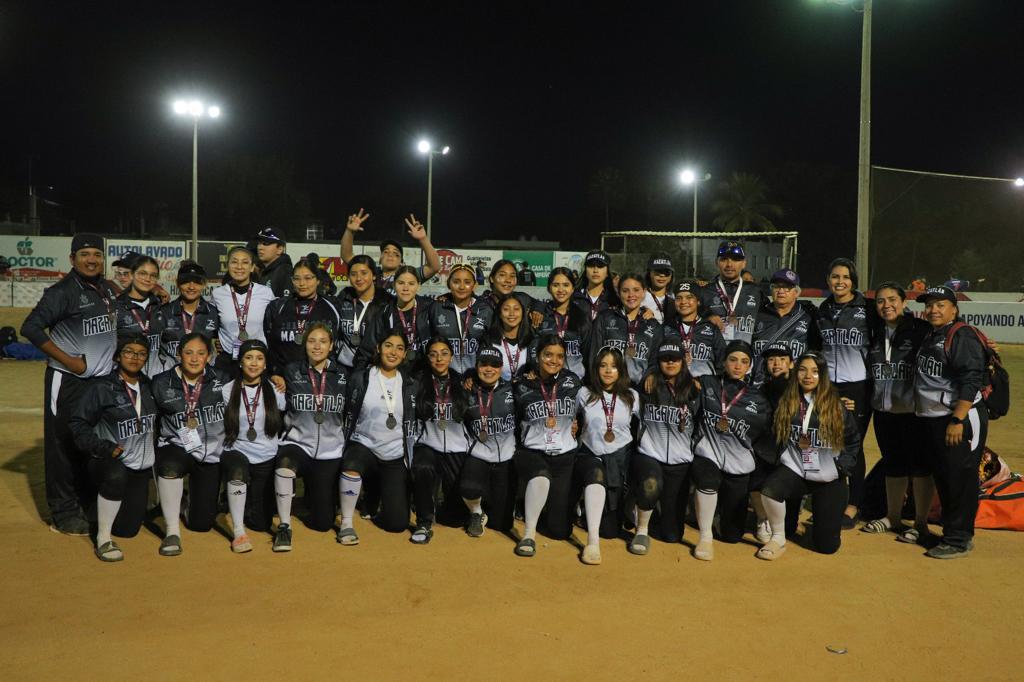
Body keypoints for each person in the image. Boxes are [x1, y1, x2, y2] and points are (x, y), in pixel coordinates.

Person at [21, 233, 117, 535]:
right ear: (72, 258)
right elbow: (30, 328)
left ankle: (86, 504)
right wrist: (69, 361)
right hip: (68, 380)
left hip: (99, 382)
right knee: (62, 444)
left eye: (97, 254)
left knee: (89, 443)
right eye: (85, 254)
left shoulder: (106, 289)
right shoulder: (62, 292)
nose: (91, 260)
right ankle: (63, 513)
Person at [757, 352, 860, 559]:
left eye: (815, 371)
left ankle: (823, 522)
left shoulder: (836, 405)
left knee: (826, 546)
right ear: (795, 372)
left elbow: (853, 441)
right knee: (770, 490)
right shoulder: (787, 401)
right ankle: (778, 538)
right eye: (803, 370)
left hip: (828, 477)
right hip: (796, 470)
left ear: (823, 375)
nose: (808, 376)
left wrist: (841, 468)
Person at [914, 285, 989, 559]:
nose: (933, 309)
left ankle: (959, 539)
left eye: (940, 305)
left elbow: (971, 379)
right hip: (936, 417)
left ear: (954, 310)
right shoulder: (933, 333)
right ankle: (951, 533)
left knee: (960, 478)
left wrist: (958, 419)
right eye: (929, 305)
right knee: (945, 476)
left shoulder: (961, 335)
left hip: (958, 417)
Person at [69, 333, 158, 561]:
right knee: (115, 476)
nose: (135, 357)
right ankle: (103, 538)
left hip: (138, 467)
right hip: (109, 460)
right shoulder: (102, 387)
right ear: (118, 356)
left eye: (141, 354)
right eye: (129, 352)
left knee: (128, 529)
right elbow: (77, 423)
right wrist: (103, 447)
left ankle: (99, 509)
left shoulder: (149, 387)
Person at [861, 282, 934, 543]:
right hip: (884, 411)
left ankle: (921, 523)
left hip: (914, 412)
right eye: (880, 301)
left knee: (920, 467)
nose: (886, 305)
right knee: (893, 464)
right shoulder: (873, 331)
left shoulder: (921, 330)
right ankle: (893, 517)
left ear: (904, 302)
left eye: (892, 299)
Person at [690, 340, 773, 560]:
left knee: (732, 535)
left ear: (749, 366)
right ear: (724, 361)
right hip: (708, 453)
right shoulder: (706, 383)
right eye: (733, 360)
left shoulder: (758, 398)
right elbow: (678, 384)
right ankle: (705, 537)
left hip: (738, 463)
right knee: (707, 479)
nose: (738, 366)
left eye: (744, 362)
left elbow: (766, 435)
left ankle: (721, 518)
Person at [272, 322, 349, 551]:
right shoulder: (291, 371)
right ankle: (284, 526)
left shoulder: (342, 375)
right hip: (298, 444)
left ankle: (314, 502)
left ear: (331, 346)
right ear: (304, 344)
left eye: (323, 341)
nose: (317, 346)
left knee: (322, 523)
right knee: (285, 465)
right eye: (312, 341)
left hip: (329, 451)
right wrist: (276, 379)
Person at [151, 333, 228, 556]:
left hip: (210, 452)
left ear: (209, 356)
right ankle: (172, 531)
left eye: (201, 353)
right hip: (177, 446)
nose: (194, 359)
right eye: (188, 353)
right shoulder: (160, 383)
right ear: (179, 354)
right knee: (169, 467)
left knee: (201, 524)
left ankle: (184, 502)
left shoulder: (222, 379)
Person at [338, 332, 416, 544]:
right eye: (388, 345)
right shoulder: (361, 377)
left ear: (405, 354)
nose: (393, 352)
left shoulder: (410, 383)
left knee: (397, 524)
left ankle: (376, 498)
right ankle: (346, 523)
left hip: (393, 454)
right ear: (378, 348)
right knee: (352, 463)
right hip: (364, 444)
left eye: (399, 348)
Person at [817, 258, 874, 529]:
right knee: (829, 442)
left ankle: (854, 504)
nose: (840, 282)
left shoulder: (868, 309)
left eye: (845, 277)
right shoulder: (823, 310)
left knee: (854, 445)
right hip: (829, 386)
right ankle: (833, 497)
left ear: (853, 281)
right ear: (828, 280)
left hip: (857, 386)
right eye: (835, 276)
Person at [512, 334, 581, 557]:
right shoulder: (522, 383)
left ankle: (536, 506)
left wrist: (577, 424)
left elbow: (584, 410)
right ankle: (528, 534)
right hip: (533, 452)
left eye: (560, 356)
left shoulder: (573, 381)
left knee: (559, 531)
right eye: (548, 355)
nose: (554, 360)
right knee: (540, 476)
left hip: (564, 455)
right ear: (538, 356)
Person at [630, 341, 699, 554]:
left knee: (672, 535)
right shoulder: (648, 386)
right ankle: (641, 529)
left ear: (683, 361)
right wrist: (650, 373)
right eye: (665, 359)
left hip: (680, 462)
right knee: (651, 485)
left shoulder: (695, 390)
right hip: (650, 454)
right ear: (657, 362)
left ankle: (649, 508)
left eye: (675, 359)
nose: (670, 363)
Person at [220, 339, 286, 552]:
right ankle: (238, 531)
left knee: (260, 523)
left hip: (266, 454)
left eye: (259, 358)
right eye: (248, 358)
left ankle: (240, 502)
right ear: (240, 362)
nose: (254, 363)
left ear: (266, 364)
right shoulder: (227, 390)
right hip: (237, 450)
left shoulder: (276, 390)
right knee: (238, 471)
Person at [574, 346, 639, 564]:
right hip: (590, 454)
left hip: (619, 458)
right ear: (596, 369)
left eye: (614, 366)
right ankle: (592, 542)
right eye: (603, 365)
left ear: (621, 370)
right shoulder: (584, 394)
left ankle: (611, 512)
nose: (608, 370)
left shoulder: (631, 396)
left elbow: (648, 423)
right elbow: (570, 416)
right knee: (596, 473)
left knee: (610, 531)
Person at [411, 337, 471, 542]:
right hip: (428, 444)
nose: (439, 359)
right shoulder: (418, 382)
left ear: (452, 356)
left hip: (457, 448)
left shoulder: (463, 382)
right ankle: (424, 521)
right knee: (423, 467)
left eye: (444, 353)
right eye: (433, 354)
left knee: (455, 519)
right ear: (427, 358)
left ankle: (444, 507)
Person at [460, 348, 517, 536]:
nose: (489, 369)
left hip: (507, 457)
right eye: (484, 364)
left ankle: (496, 504)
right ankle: (476, 512)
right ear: (476, 366)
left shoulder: (513, 389)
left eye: (494, 365)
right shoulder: (466, 390)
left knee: (501, 524)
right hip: (479, 454)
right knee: (468, 488)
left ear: (501, 368)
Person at [262, 257, 342, 374]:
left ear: (318, 280)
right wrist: (275, 373)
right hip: (284, 378)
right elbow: (271, 345)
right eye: (297, 279)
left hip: (321, 376)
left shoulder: (333, 306)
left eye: (308, 278)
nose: (302, 283)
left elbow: (337, 344)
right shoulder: (277, 306)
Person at [210, 245, 275, 378]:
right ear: (227, 266)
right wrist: (217, 341)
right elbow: (212, 323)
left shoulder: (266, 293)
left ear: (252, 267)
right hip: (228, 360)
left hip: (256, 361)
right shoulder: (218, 294)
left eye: (245, 262)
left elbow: (274, 324)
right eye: (234, 262)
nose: (239, 267)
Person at [340, 209, 442, 292]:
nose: (390, 255)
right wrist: (349, 231)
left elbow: (434, 267)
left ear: (402, 262)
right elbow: (347, 256)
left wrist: (423, 239)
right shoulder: (372, 273)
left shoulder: (408, 276)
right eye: (386, 252)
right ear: (380, 259)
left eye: (396, 254)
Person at [588, 273, 662, 385]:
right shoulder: (605, 318)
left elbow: (655, 361)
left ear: (644, 292)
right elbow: (594, 355)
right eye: (625, 291)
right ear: (618, 293)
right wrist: (597, 385)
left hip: (639, 389)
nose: (631, 295)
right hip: (608, 387)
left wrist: (652, 374)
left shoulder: (653, 325)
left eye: (636, 290)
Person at [751, 268, 820, 384]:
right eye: (777, 287)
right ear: (771, 290)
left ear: (796, 292)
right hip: (761, 383)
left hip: (794, 384)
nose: (781, 291)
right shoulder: (758, 314)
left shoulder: (809, 316)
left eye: (787, 287)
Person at [363, 265, 434, 369]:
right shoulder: (384, 313)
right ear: (394, 285)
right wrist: (360, 374)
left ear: (418, 286)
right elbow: (366, 350)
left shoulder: (430, 308)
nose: (405, 288)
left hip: (424, 372)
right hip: (394, 372)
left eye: (411, 284)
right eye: (401, 283)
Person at [154, 261, 219, 373]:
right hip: (171, 375)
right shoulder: (164, 312)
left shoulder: (213, 313)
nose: (191, 287)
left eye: (197, 282)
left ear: (204, 284)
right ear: (177, 283)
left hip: (203, 376)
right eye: (185, 281)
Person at [430, 263, 493, 375]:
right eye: (456, 282)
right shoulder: (437, 307)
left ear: (475, 285)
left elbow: (490, 346)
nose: (462, 287)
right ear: (448, 284)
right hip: (445, 377)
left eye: (467, 282)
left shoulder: (485, 310)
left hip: (475, 378)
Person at [698, 240, 765, 343]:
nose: (729, 264)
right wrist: (707, 316)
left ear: (744, 263)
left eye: (735, 259)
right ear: (716, 262)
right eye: (724, 259)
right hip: (716, 351)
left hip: (744, 352)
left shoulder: (755, 291)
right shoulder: (705, 291)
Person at [334, 254, 391, 370]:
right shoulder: (343, 299)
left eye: (364, 273)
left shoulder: (386, 303)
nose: (358, 278)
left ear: (374, 275)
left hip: (374, 368)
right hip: (343, 368)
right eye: (353, 274)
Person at [113, 255, 164, 378]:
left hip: (155, 377)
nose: (148, 279)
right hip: (124, 377)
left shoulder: (160, 305)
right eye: (142, 274)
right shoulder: (116, 306)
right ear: (131, 275)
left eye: (153, 275)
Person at [662, 280, 725, 379]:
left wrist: (712, 383)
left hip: (704, 385)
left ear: (698, 301)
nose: (683, 302)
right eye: (679, 298)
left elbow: (722, 362)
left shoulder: (711, 328)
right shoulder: (667, 328)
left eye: (689, 297)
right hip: (675, 384)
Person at [535, 266, 589, 378]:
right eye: (556, 285)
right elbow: (533, 349)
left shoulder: (582, 316)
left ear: (573, 288)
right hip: (546, 380)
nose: (560, 290)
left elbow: (588, 352)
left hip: (575, 381)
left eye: (566, 285)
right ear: (549, 288)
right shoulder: (541, 315)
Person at [487, 293, 533, 381]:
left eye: (516, 309)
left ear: (523, 313)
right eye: (506, 309)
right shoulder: (488, 340)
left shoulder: (532, 340)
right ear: (499, 314)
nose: (511, 313)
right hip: (498, 389)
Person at [572, 249, 619, 322]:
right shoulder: (573, 298)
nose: (595, 270)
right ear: (585, 271)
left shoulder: (615, 301)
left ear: (607, 272)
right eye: (591, 266)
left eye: (600, 266)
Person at [254, 226, 294, 297]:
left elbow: (286, 302)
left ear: (280, 249)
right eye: (259, 243)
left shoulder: (285, 272)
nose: (260, 247)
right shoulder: (263, 271)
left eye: (266, 243)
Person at [641, 252, 676, 324]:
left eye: (666, 272)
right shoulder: (640, 296)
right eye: (658, 271)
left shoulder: (677, 298)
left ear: (671, 275)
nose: (662, 275)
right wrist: (640, 311)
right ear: (649, 273)